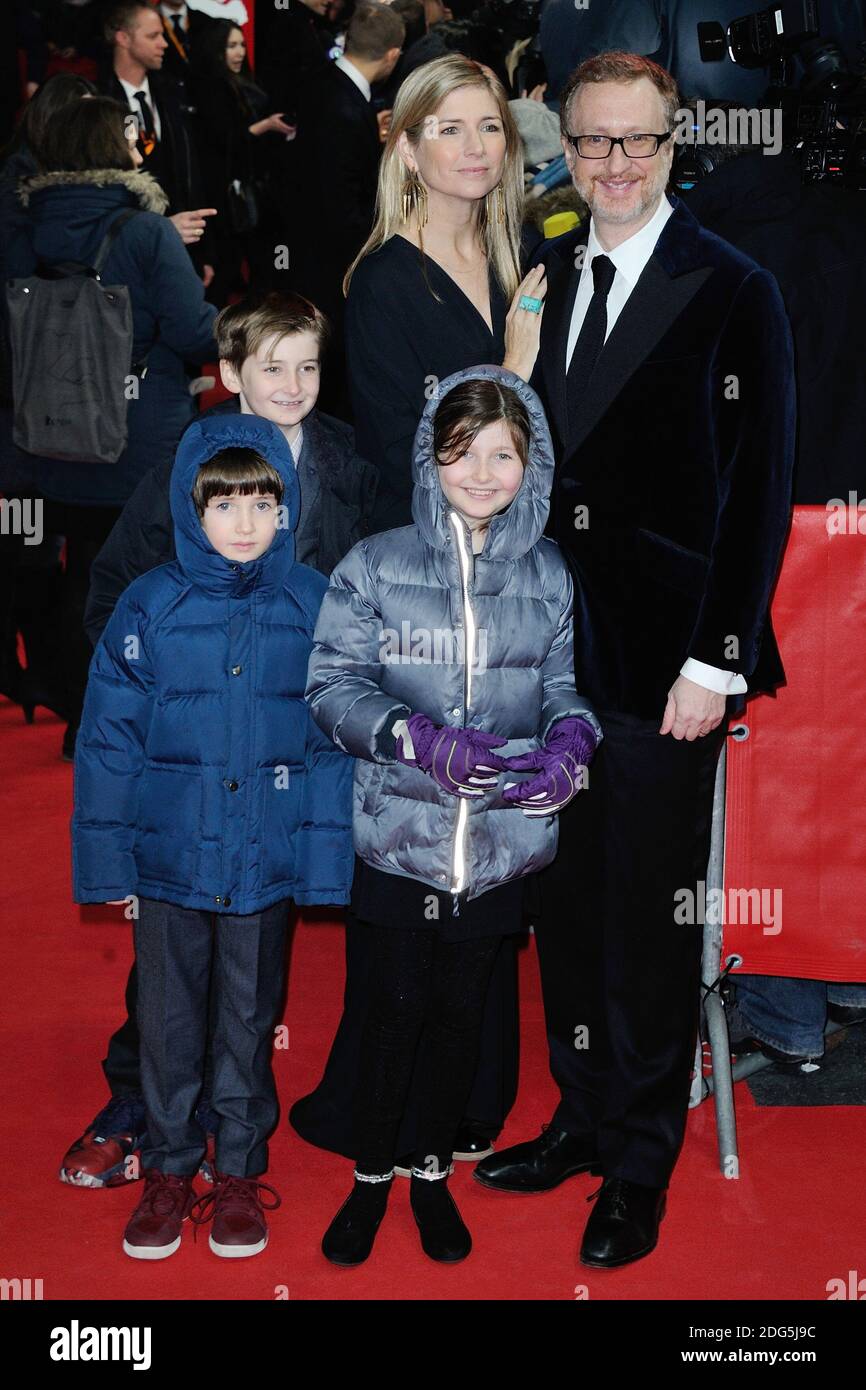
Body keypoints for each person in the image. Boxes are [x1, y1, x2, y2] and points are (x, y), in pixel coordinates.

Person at [474, 50, 795, 1269]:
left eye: (637, 143)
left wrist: (715, 662)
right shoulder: (544, 273)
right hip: (547, 653)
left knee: (648, 920)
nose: (612, 165)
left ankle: (641, 1157)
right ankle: (579, 1111)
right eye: (591, 142)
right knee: (559, 901)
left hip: (664, 659)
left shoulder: (731, 284)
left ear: (673, 147)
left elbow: (756, 490)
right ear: (562, 143)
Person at [292, 52, 549, 1170]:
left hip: (517, 590)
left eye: (487, 127)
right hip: (419, 598)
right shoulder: (384, 280)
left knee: (491, 838)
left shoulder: (518, 252)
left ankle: (467, 1095)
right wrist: (520, 365)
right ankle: (381, 1103)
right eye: (446, 129)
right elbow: (420, 456)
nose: (474, 148)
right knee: (410, 851)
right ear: (404, 145)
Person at [58, 290, 377, 1188]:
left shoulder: (349, 461)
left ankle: (231, 1136)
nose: (291, 384)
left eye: (307, 365)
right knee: (166, 966)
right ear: (231, 375)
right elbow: (113, 593)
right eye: (269, 366)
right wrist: (168, 707)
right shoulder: (185, 467)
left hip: (285, 754)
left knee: (250, 974)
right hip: (189, 758)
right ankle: (141, 1101)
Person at [306, 365, 601, 1264]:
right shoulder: (377, 563)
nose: (481, 473)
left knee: (459, 1018)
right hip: (401, 842)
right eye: (462, 452)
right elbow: (329, 685)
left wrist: (572, 748)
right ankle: (370, 1174)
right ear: (430, 458)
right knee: (391, 1009)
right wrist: (415, 739)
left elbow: (563, 689)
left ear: (533, 464)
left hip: (505, 851)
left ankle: (431, 1171)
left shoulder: (549, 573)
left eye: (504, 455)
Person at [1, 95, 217, 759]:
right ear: (105, 145)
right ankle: (134, 719)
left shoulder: (18, 229)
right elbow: (190, 331)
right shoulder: (146, 233)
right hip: (134, 440)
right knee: (139, 581)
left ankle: (81, 714)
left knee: (69, 579)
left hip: (41, 438)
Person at [288, 2, 405, 416]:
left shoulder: (327, 85)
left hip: (311, 251)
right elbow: (340, 203)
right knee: (332, 371)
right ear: (393, 55)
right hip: (332, 266)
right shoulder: (344, 106)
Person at [99, 0, 217, 282]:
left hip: (182, 251)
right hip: (124, 259)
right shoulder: (98, 102)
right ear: (123, 38)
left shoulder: (173, 94)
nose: (163, 44)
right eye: (153, 36)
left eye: (162, 35)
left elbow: (192, 172)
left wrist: (204, 255)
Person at [189, 19, 295, 307]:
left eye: (241, 45)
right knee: (229, 263)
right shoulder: (210, 87)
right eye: (231, 46)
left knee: (260, 262)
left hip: (254, 185)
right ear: (216, 49)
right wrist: (265, 126)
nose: (238, 53)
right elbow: (223, 138)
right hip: (226, 191)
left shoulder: (247, 82)